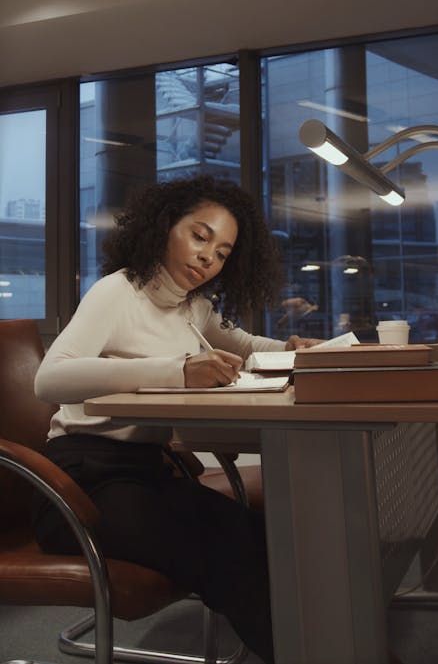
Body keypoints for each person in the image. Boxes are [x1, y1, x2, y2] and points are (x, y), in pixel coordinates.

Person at [33, 174, 322, 663]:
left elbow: (247, 347)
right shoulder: (118, 291)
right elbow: (49, 379)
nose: (209, 257)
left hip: (146, 474)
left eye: (224, 251)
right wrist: (177, 371)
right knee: (231, 551)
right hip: (79, 487)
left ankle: (326, 646)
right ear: (166, 226)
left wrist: (292, 350)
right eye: (200, 235)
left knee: (259, 537)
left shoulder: (194, 307)